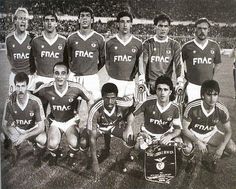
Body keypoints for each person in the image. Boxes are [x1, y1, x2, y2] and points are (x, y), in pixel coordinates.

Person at [35, 62, 94, 167]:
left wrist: (91, 118)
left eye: (63, 73)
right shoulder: (46, 88)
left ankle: (71, 155)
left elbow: (90, 99)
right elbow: (32, 95)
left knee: (75, 143)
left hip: (70, 121)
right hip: (55, 121)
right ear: (53, 74)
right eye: (57, 73)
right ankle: (54, 155)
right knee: (52, 143)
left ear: (67, 75)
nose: (60, 76)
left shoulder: (76, 87)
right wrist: (15, 94)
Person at [182, 80, 236, 172]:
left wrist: (221, 147)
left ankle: (210, 157)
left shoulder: (221, 109)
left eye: (215, 95)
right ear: (203, 95)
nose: (212, 99)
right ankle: (191, 159)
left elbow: (228, 131)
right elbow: (184, 129)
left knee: (232, 148)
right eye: (209, 95)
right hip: (193, 133)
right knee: (187, 148)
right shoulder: (192, 107)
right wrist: (198, 142)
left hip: (210, 133)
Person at [87, 83, 135, 178]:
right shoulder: (95, 109)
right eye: (106, 98)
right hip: (99, 128)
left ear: (116, 97)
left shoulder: (122, 102)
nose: (110, 101)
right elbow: (92, 137)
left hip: (113, 126)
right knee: (84, 142)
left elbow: (133, 108)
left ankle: (120, 159)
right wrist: (95, 162)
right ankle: (89, 159)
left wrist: (128, 125)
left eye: (113, 98)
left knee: (131, 138)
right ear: (102, 97)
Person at [2, 72, 46, 167]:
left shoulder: (35, 101)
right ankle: (14, 151)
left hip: (31, 129)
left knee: (43, 139)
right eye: (18, 86)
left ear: (27, 86)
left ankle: (37, 152)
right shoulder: (9, 101)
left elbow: (41, 127)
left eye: (23, 86)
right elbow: (3, 125)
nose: (20, 90)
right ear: (15, 86)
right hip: (18, 129)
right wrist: (10, 136)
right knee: (2, 136)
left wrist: (25, 136)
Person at [129, 75, 182, 150]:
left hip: (165, 134)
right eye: (159, 89)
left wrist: (170, 136)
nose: (162, 93)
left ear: (170, 92)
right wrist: (129, 128)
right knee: (138, 146)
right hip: (148, 134)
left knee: (178, 142)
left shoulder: (174, 108)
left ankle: (178, 159)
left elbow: (178, 129)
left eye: (165, 90)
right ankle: (137, 153)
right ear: (156, 90)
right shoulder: (147, 102)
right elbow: (132, 115)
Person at [67, 6, 105, 100]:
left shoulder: (99, 38)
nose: (84, 18)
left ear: (92, 20)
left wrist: (92, 70)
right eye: (82, 16)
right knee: (72, 108)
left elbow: (102, 60)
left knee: (94, 108)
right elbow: (68, 58)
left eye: (87, 16)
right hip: (75, 77)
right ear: (78, 19)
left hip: (92, 78)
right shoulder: (71, 38)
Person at [142, 14, 184, 94]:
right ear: (155, 27)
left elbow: (179, 64)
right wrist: (142, 80)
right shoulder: (147, 44)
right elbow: (143, 63)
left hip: (166, 86)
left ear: (169, 28)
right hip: (151, 86)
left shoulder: (174, 45)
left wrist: (180, 80)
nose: (163, 29)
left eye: (166, 26)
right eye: (160, 26)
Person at [182, 18, 222, 102]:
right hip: (193, 85)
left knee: (208, 110)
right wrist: (185, 76)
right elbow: (179, 64)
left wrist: (212, 76)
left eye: (205, 28)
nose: (202, 31)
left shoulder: (214, 46)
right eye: (199, 28)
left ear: (208, 30)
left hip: (208, 86)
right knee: (193, 110)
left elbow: (218, 63)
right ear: (195, 29)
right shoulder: (187, 47)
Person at [105, 11, 143, 98]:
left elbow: (139, 64)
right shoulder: (110, 42)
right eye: (122, 22)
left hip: (129, 82)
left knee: (128, 108)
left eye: (128, 21)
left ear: (131, 24)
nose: (125, 25)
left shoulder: (138, 43)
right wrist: (113, 75)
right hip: (113, 80)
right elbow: (107, 62)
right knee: (113, 108)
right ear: (118, 24)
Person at [30, 11, 67, 90]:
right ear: (43, 23)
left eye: (52, 20)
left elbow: (67, 62)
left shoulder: (63, 41)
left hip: (58, 80)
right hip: (40, 79)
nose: (49, 23)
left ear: (56, 23)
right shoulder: (36, 41)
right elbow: (31, 60)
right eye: (47, 20)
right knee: (40, 102)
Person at [5, 7, 35, 95]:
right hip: (15, 76)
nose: (23, 21)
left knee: (29, 104)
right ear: (14, 21)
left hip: (29, 76)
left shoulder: (32, 38)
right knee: (13, 103)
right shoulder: (9, 39)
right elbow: (9, 56)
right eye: (20, 18)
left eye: (25, 19)